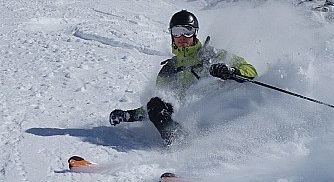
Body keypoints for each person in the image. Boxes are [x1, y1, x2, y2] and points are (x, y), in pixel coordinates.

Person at [109, 9, 258, 145]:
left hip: (219, 114)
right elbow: (156, 107)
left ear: (195, 33)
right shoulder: (169, 70)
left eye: (187, 31)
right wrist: (130, 115)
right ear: (171, 35)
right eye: (177, 31)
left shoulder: (212, 55)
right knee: (155, 103)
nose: (182, 37)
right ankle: (180, 143)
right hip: (188, 121)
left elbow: (250, 70)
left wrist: (231, 71)